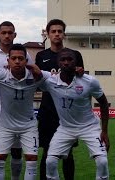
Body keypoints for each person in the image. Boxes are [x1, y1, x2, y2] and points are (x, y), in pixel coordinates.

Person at [0, 44, 50, 180]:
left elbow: (57, 77)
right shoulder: (1, 74)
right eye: (14, 58)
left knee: (31, 161)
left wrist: (77, 72)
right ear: (8, 61)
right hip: (5, 126)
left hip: (28, 127)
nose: (17, 61)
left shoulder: (35, 76)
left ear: (26, 61)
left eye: (20, 58)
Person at [42, 49, 110, 179]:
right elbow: (34, 75)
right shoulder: (50, 82)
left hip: (90, 127)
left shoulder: (89, 81)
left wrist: (105, 131)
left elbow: (104, 103)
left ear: (76, 62)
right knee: (50, 161)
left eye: (70, 59)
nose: (66, 62)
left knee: (102, 162)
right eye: (63, 59)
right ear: (58, 62)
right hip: (65, 128)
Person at [0, 21, 33, 179]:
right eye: (3, 33)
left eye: (10, 33)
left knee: (16, 150)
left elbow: (31, 76)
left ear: (15, 35)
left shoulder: (25, 55)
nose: (7, 36)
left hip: (17, 108)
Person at [35, 19, 84, 180]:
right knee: (47, 152)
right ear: (48, 34)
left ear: (64, 34)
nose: (57, 34)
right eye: (53, 31)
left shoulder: (75, 55)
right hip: (48, 110)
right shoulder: (41, 56)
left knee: (67, 154)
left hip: (68, 112)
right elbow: (38, 82)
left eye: (60, 31)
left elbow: (81, 81)